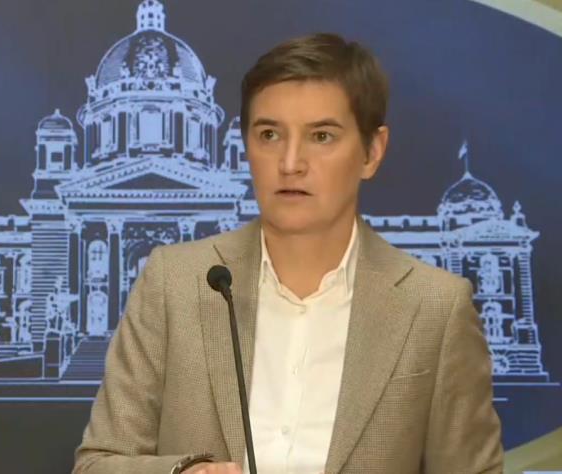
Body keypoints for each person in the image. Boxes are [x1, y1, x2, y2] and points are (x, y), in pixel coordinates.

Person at [73, 33, 504, 474]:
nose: (290, 162)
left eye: (321, 136)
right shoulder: (174, 282)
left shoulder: (436, 307)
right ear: (246, 147)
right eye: (269, 135)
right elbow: (98, 465)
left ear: (372, 152)